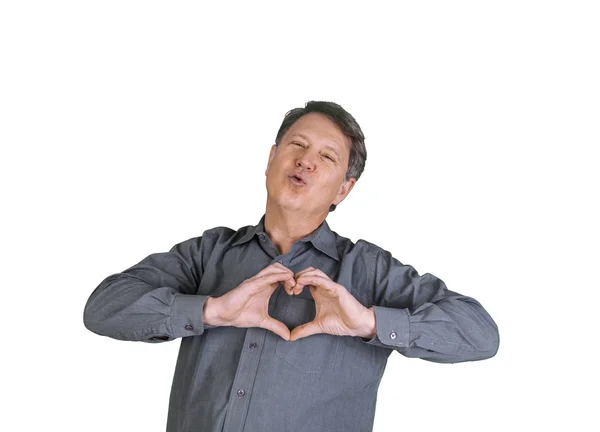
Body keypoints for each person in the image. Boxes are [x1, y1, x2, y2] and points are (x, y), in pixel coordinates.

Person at [83, 101, 499, 432]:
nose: (305, 161)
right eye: (297, 145)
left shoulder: (368, 270)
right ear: (271, 158)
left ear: (344, 189)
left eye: (327, 156)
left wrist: (369, 323)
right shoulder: (209, 253)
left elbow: (480, 333)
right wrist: (210, 311)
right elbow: (103, 307)